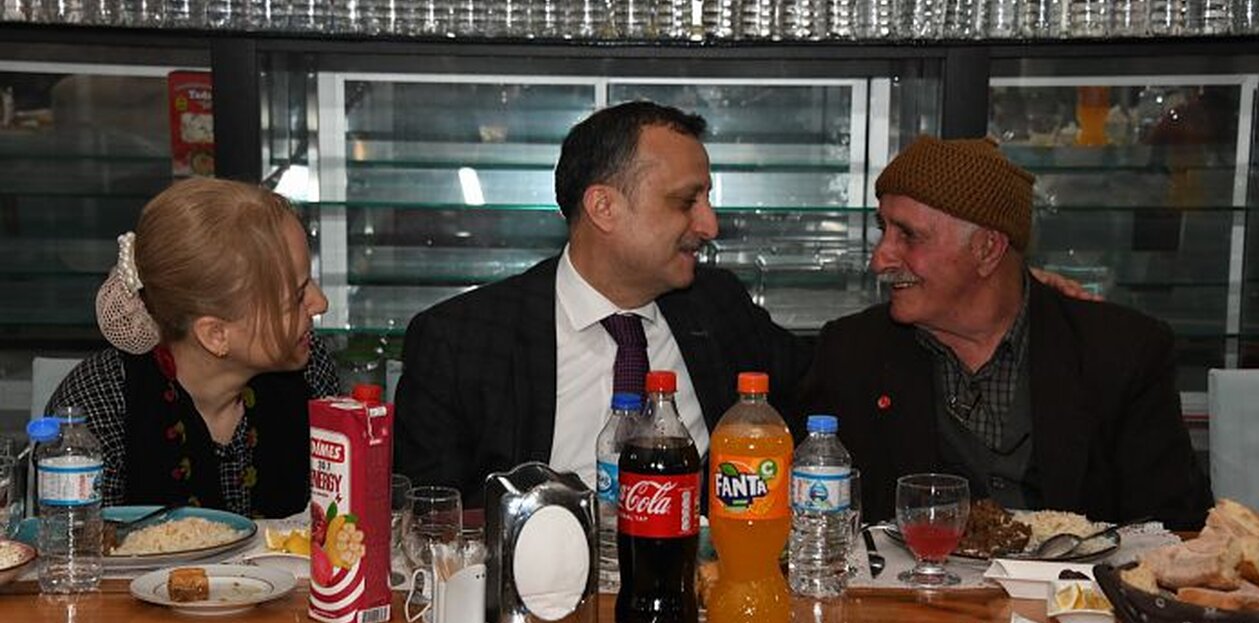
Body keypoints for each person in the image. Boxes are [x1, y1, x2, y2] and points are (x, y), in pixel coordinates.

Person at [394, 101, 811, 507]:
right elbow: (429, 518)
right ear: (603, 207)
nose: (710, 225)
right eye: (687, 202)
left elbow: (819, 385)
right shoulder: (461, 341)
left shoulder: (718, 306)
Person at [798, 135, 1212, 530]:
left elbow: (1175, 529)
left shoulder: (1120, 353)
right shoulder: (853, 353)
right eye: (883, 230)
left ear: (988, 249)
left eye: (908, 235)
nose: (880, 259)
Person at [47, 177, 337, 518]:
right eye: (297, 297)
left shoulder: (312, 373)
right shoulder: (97, 410)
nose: (321, 303)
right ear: (216, 335)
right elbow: (75, 543)